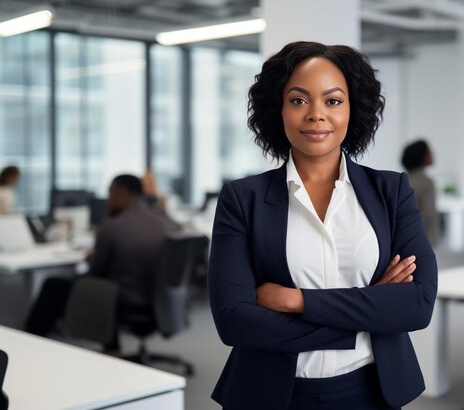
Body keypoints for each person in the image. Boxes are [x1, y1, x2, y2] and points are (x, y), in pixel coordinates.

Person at [208, 42, 438, 410]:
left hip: (372, 390)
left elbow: (417, 305)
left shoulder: (391, 191)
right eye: (299, 100)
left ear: (353, 109)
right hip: (272, 393)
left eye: (333, 101)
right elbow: (234, 322)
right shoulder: (242, 199)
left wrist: (297, 300)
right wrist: (369, 311)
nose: (317, 114)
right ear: (278, 109)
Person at [25, 174, 172, 349]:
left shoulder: (111, 228)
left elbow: (96, 273)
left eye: (110, 193)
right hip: (156, 298)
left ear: (123, 193)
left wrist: (91, 259)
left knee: (53, 285)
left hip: (123, 297)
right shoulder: (161, 223)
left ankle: (29, 342)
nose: (107, 200)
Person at [401, 140, 439, 246]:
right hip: (425, 241)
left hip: (407, 240)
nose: (432, 154)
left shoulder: (403, 180)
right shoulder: (426, 182)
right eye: (429, 151)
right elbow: (428, 214)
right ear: (422, 156)